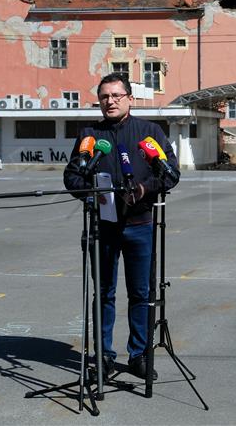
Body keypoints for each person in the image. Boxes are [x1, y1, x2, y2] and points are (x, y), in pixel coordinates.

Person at [64, 73, 180, 381]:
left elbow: (170, 173)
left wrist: (144, 190)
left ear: (129, 98)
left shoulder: (149, 131)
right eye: (104, 96)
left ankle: (139, 355)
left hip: (140, 225)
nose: (110, 101)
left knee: (141, 293)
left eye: (116, 95)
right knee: (103, 294)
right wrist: (92, 191)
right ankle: (104, 356)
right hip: (102, 227)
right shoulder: (89, 135)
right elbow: (72, 177)